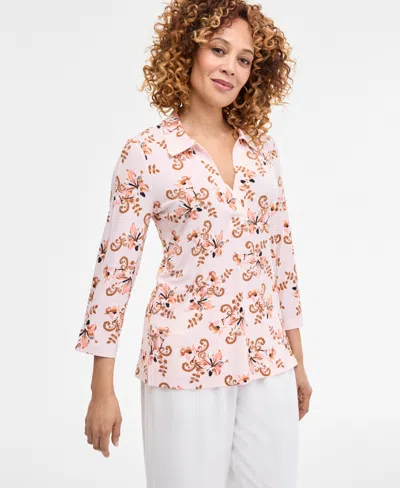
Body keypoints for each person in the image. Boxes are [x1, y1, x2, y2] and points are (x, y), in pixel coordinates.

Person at [75, 0, 312, 486]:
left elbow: (282, 260)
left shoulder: (261, 151)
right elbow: (115, 272)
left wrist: (298, 363)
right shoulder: (147, 153)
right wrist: (102, 388)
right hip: (182, 364)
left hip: (268, 360)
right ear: (188, 50)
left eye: (243, 59)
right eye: (218, 50)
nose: (230, 68)